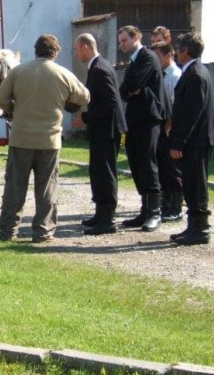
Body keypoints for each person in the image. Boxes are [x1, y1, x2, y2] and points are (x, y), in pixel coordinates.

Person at [0, 34, 89, 242]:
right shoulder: (63, 74)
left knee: (14, 186)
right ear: (55, 52)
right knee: (47, 187)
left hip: (21, 138)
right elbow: (85, 96)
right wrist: (65, 100)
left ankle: (8, 230)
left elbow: (0, 97)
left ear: (36, 50)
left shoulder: (18, 71)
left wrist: (12, 110)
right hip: (49, 140)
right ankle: (42, 231)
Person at [72, 33, 127, 235]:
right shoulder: (98, 66)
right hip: (100, 130)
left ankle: (107, 218)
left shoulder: (100, 69)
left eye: (77, 50)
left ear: (86, 47)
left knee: (105, 173)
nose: (76, 54)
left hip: (107, 130)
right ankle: (100, 213)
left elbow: (110, 102)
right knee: (97, 171)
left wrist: (85, 118)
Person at [117, 25, 171, 232]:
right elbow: (124, 89)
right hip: (135, 119)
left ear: (136, 37)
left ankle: (155, 212)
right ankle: (144, 209)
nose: (122, 44)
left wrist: (132, 89)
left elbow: (133, 84)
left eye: (124, 40)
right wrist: (131, 89)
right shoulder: (133, 62)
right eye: (120, 42)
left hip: (149, 117)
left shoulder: (147, 57)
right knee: (136, 162)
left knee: (148, 162)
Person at [169, 33, 214, 245]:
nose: (175, 54)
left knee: (196, 183)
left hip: (196, 141)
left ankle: (201, 228)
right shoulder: (194, 71)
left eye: (178, 50)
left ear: (185, 51)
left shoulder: (196, 74)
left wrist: (179, 142)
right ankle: (193, 226)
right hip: (195, 139)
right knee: (190, 182)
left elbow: (192, 113)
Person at [151, 41, 183, 222]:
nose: (156, 61)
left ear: (169, 55)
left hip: (171, 127)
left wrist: (169, 124)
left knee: (173, 168)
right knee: (163, 167)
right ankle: (166, 203)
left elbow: (176, 105)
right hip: (161, 126)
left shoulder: (175, 76)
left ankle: (176, 207)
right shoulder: (161, 75)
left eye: (158, 56)